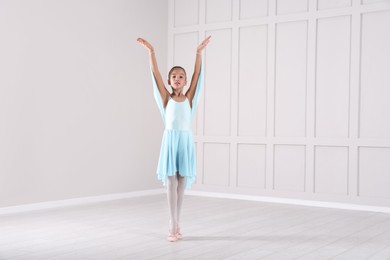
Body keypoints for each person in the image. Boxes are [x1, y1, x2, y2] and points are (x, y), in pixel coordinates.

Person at [137, 36, 211, 242]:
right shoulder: (165, 98)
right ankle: (172, 223)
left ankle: (178, 221)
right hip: (170, 142)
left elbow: (198, 74)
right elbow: (155, 74)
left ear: (185, 81)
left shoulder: (189, 99)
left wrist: (198, 53)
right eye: (174, 77)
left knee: (181, 181)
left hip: (185, 142)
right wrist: (151, 51)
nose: (177, 79)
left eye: (181, 76)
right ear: (169, 81)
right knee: (170, 181)